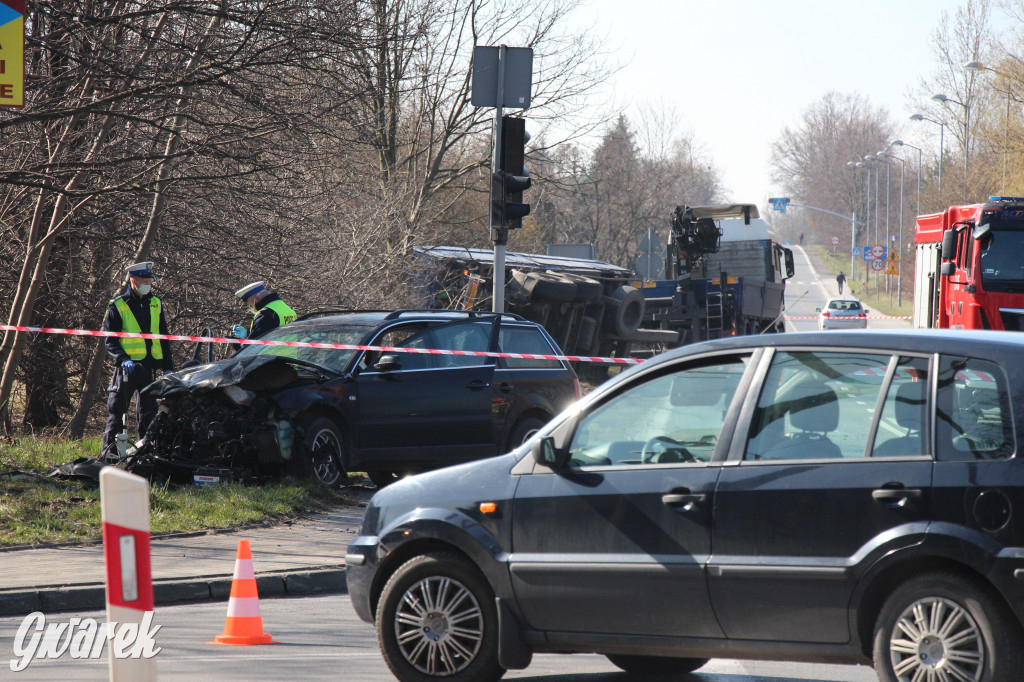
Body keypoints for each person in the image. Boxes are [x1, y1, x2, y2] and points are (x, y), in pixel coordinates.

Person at [103, 261, 175, 457]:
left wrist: (168, 367)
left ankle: (145, 453)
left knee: (149, 414)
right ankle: (110, 453)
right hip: (127, 369)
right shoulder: (118, 305)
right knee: (117, 411)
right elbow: (110, 341)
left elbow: (164, 336)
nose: (148, 284)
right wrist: (122, 358)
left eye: (149, 280)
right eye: (144, 280)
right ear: (133, 281)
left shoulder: (156, 303)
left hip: (149, 368)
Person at [232, 281, 297, 342]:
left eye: (249, 303)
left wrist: (235, 343)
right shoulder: (285, 307)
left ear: (256, 298)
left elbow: (254, 346)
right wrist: (247, 336)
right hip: (291, 353)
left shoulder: (265, 314)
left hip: (272, 353)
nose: (250, 307)